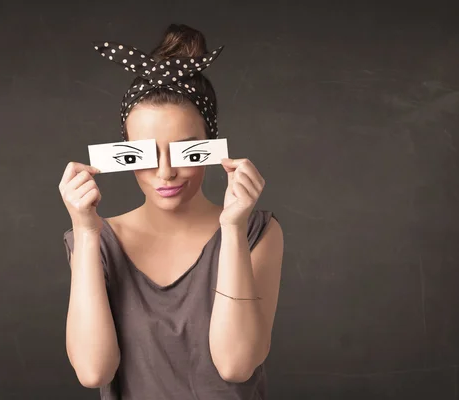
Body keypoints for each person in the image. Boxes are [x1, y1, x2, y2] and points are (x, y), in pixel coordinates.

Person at [59, 24, 284, 400]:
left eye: (186, 151)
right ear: (125, 153)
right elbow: (93, 370)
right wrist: (84, 232)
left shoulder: (257, 233)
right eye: (144, 154)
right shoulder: (96, 241)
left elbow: (236, 365)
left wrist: (231, 228)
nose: (165, 173)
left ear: (211, 148)